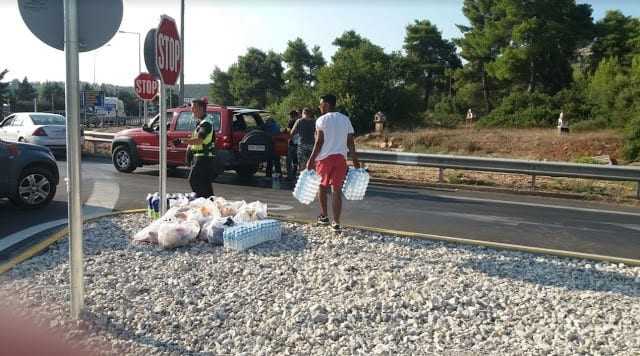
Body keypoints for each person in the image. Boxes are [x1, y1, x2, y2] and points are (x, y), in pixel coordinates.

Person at [306, 94, 359, 234]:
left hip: (324, 159)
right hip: (340, 159)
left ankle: (324, 216)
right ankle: (336, 222)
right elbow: (351, 143)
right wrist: (355, 161)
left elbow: (318, 143)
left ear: (327, 105)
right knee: (336, 190)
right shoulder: (345, 119)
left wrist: (311, 160)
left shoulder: (321, 120)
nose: (319, 106)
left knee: (322, 187)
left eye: (321, 104)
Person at [173, 98, 216, 198]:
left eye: (193, 108)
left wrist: (181, 141)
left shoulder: (206, 123)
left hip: (203, 157)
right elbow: (194, 140)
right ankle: (209, 203)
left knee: (194, 180)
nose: (191, 111)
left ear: (201, 109)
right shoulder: (201, 122)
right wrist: (189, 153)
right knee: (204, 183)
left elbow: (199, 140)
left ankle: (203, 201)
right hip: (201, 157)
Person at [291, 107, 316, 176]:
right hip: (312, 145)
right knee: (311, 165)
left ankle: (302, 179)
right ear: (310, 114)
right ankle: (311, 180)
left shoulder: (299, 121)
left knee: (302, 166)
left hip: (302, 145)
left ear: (303, 113)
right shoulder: (315, 122)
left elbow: (292, 133)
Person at [286, 110, 300, 180]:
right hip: (299, 143)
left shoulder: (291, 122)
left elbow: (289, 131)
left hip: (291, 143)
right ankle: (294, 174)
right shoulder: (300, 122)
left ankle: (289, 176)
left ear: (292, 115)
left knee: (288, 161)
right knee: (296, 160)